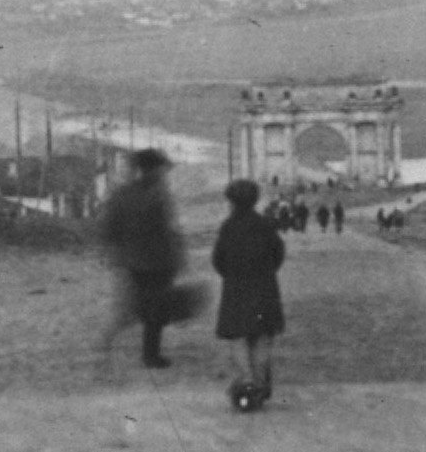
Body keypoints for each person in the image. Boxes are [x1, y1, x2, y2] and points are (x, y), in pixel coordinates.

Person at [97, 148, 195, 368]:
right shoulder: (158, 195)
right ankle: (150, 355)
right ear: (151, 170)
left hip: (133, 261)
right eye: (161, 169)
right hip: (157, 262)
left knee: (140, 307)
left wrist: (114, 254)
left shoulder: (121, 194)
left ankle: (114, 341)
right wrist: (180, 259)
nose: (163, 174)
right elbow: (170, 231)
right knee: (153, 310)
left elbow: (108, 229)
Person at [213, 177, 290, 411]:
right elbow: (278, 253)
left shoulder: (227, 227)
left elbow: (218, 260)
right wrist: (265, 272)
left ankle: (246, 380)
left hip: (236, 290)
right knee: (263, 338)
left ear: (231, 201)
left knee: (238, 338)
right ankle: (258, 382)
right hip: (265, 289)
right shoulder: (266, 225)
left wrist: (232, 274)